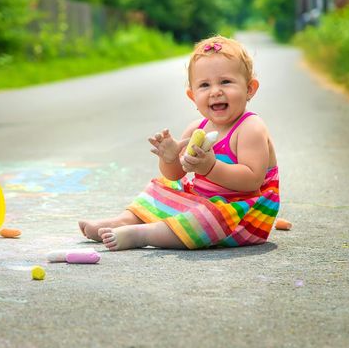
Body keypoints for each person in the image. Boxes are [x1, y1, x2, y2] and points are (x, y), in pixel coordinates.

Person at [78, 35, 279, 251]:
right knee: (163, 187)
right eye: (204, 85)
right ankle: (124, 221)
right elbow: (176, 174)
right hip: (206, 201)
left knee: (207, 218)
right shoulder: (197, 129)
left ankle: (144, 234)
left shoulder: (250, 128)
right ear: (193, 96)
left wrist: (210, 168)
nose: (215, 91)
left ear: (250, 88)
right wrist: (171, 159)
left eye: (226, 82)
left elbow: (252, 181)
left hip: (243, 215)